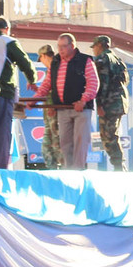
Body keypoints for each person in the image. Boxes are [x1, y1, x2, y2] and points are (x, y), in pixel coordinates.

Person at [29, 33, 99, 170]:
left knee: (80, 142)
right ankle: (68, 170)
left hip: (81, 109)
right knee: (65, 143)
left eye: (63, 46)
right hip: (62, 109)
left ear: (72, 46)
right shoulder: (56, 62)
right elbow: (46, 84)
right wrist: (35, 99)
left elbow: (93, 83)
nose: (60, 50)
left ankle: (78, 171)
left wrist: (83, 100)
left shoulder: (85, 60)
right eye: (59, 46)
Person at [0, 16, 37, 169]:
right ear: (7, 29)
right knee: (1, 133)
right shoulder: (8, 41)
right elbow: (25, 63)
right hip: (1, 92)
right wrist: (32, 79)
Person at [90, 35, 129, 171]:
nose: (93, 50)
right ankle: (119, 164)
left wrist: (99, 103)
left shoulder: (102, 59)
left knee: (108, 136)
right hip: (119, 102)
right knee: (112, 134)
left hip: (109, 103)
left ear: (99, 45)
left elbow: (102, 83)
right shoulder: (118, 59)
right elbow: (125, 80)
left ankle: (118, 165)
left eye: (94, 47)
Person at [35, 45, 62, 169]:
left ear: (44, 56)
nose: (43, 63)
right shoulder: (50, 70)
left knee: (57, 143)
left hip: (55, 111)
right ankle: (52, 169)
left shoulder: (57, 68)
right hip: (49, 112)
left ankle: (62, 169)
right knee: (46, 146)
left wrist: (52, 106)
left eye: (41, 59)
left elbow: (55, 90)